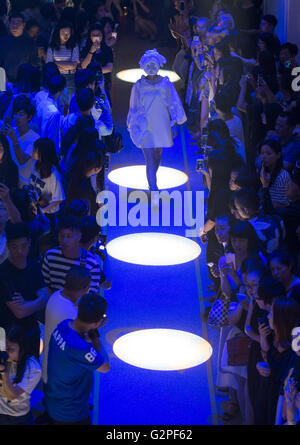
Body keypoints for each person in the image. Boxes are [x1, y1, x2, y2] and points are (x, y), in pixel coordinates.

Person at [127, 49, 187, 194]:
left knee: (157, 155)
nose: (151, 68)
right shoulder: (138, 85)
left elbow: (173, 102)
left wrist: (175, 122)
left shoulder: (166, 83)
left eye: (153, 64)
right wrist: (134, 125)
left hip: (162, 123)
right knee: (149, 158)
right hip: (145, 125)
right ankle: (154, 188)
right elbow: (134, 107)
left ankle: (152, 182)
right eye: (148, 65)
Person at [45, 292, 110, 425]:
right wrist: (96, 335)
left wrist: (91, 330)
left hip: (54, 399)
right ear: (98, 322)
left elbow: (77, 341)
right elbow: (104, 366)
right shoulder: (81, 349)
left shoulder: (63, 324)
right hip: (71, 413)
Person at [0, 222, 48, 358]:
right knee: (9, 373)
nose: (20, 251)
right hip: (8, 336)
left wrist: (28, 304)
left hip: (31, 331)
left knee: (32, 368)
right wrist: (39, 300)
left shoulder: (34, 266)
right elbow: (20, 312)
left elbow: (46, 295)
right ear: (8, 246)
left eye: (23, 245)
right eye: (14, 247)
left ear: (29, 243)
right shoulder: (3, 273)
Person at [42, 266, 91, 384]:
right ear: (86, 288)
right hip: (61, 378)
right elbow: (83, 344)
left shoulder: (56, 295)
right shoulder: (70, 315)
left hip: (49, 367)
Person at [42, 214, 106, 294]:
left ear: (79, 236)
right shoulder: (50, 256)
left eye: (69, 236)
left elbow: (90, 297)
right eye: (62, 236)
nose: (64, 240)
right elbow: (46, 289)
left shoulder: (92, 263)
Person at [0, 325, 42, 425]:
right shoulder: (3, 355)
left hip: (17, 417)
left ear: (22, 349)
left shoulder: (32, 367)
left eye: (11, 349)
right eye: (5, 346)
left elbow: (12, 395)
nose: (6, 352)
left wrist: (4, 372)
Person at [30, 137, 65, 217]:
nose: (32, 151)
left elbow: (59, 198)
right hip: (37, 208)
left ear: (43, 153)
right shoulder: (35, 165)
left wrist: (43, 211)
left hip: (49, 214)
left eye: (35, 150)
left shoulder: (53, 173)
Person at [0, 13, 39, 84]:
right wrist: (5, 80)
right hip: (4, 81)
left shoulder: (30, 43)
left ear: (23, 25)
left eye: (18, 23)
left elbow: (34, 62)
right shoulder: (2, 42)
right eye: (12, 23)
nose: (15, 25)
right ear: (9, 24)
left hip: (24, 82)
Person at [46, 20, 80, 100]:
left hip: (70, 78)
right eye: (63, 33)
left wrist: (56, 63)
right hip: (56, 78)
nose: (66, 35)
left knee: (70, 101)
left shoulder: (74, 46)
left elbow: (73, 65)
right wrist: (67, 64)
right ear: (58, 32)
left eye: (68, 33)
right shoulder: (52, 47)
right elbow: (49, 66)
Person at [80, 23, 114, 103]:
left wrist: (92, 71)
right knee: (89, 105)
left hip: (104, 83)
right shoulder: (85, 50)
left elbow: (109, 68)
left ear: (102, 36)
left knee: (103, 106)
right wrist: (91, 52)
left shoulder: (107, 50)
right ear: (90, 36)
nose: (96, 37)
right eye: (93, 35)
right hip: (88, 83)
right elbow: (83, 66)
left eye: (98, 34)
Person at [258, 137, 290, 208]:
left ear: (278, 155)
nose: (264, 156)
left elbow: (281, 205)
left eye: (268, 153)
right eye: (262, 153)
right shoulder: (262, 171)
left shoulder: (282, 176)